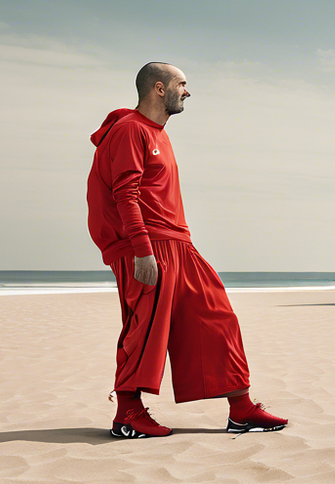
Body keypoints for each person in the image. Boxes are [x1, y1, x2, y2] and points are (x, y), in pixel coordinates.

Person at [86, 62, 288, 438]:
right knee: (144, 329)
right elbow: (124, 194)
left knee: (217, 316)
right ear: (159, 89)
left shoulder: (158, 134)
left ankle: (241, 409)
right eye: (182, 84)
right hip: (146, 245)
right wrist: (142, 250)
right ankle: (128, 414)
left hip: (179, 242)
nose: (188, 91)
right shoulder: (130, 130)